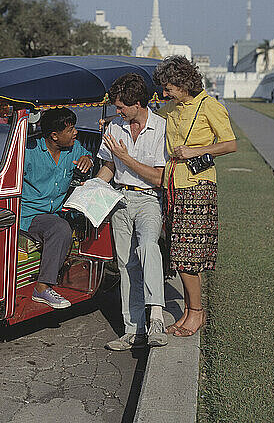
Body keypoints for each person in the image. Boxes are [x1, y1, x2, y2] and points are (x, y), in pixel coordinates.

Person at [153, 56, 237, 336]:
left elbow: (230, 144)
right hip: (174, 184)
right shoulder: (171, 108)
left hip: (198, 185)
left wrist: (196, 151)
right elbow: (153, 123)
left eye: (169, 88)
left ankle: (197, 313)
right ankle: (189, 311)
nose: (165, 93)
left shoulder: (209, 106)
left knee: (188, 254)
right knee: (180, 251)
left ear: (183, 83)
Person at [97, 73, 167, 350]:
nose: (118, 111)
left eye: (122, 107)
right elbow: (109, 168)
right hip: (120, 199)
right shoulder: (115, 127)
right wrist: (90, 190)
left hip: (149, 199)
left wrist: (126, 157)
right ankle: (133, 329)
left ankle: (157, 320)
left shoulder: (161, 129)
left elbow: (159, 178)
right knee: (126, 264)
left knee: (149, 248)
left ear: (137, 103)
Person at [21, 107, 93, 309]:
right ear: (54, 135)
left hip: (56, 212)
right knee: (60, 228)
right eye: (70, 130)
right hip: (29, 215)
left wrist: (88, 158)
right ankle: (42, 288)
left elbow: (86, 154)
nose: (75, 133)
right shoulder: (28, 151)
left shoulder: (74, 148)